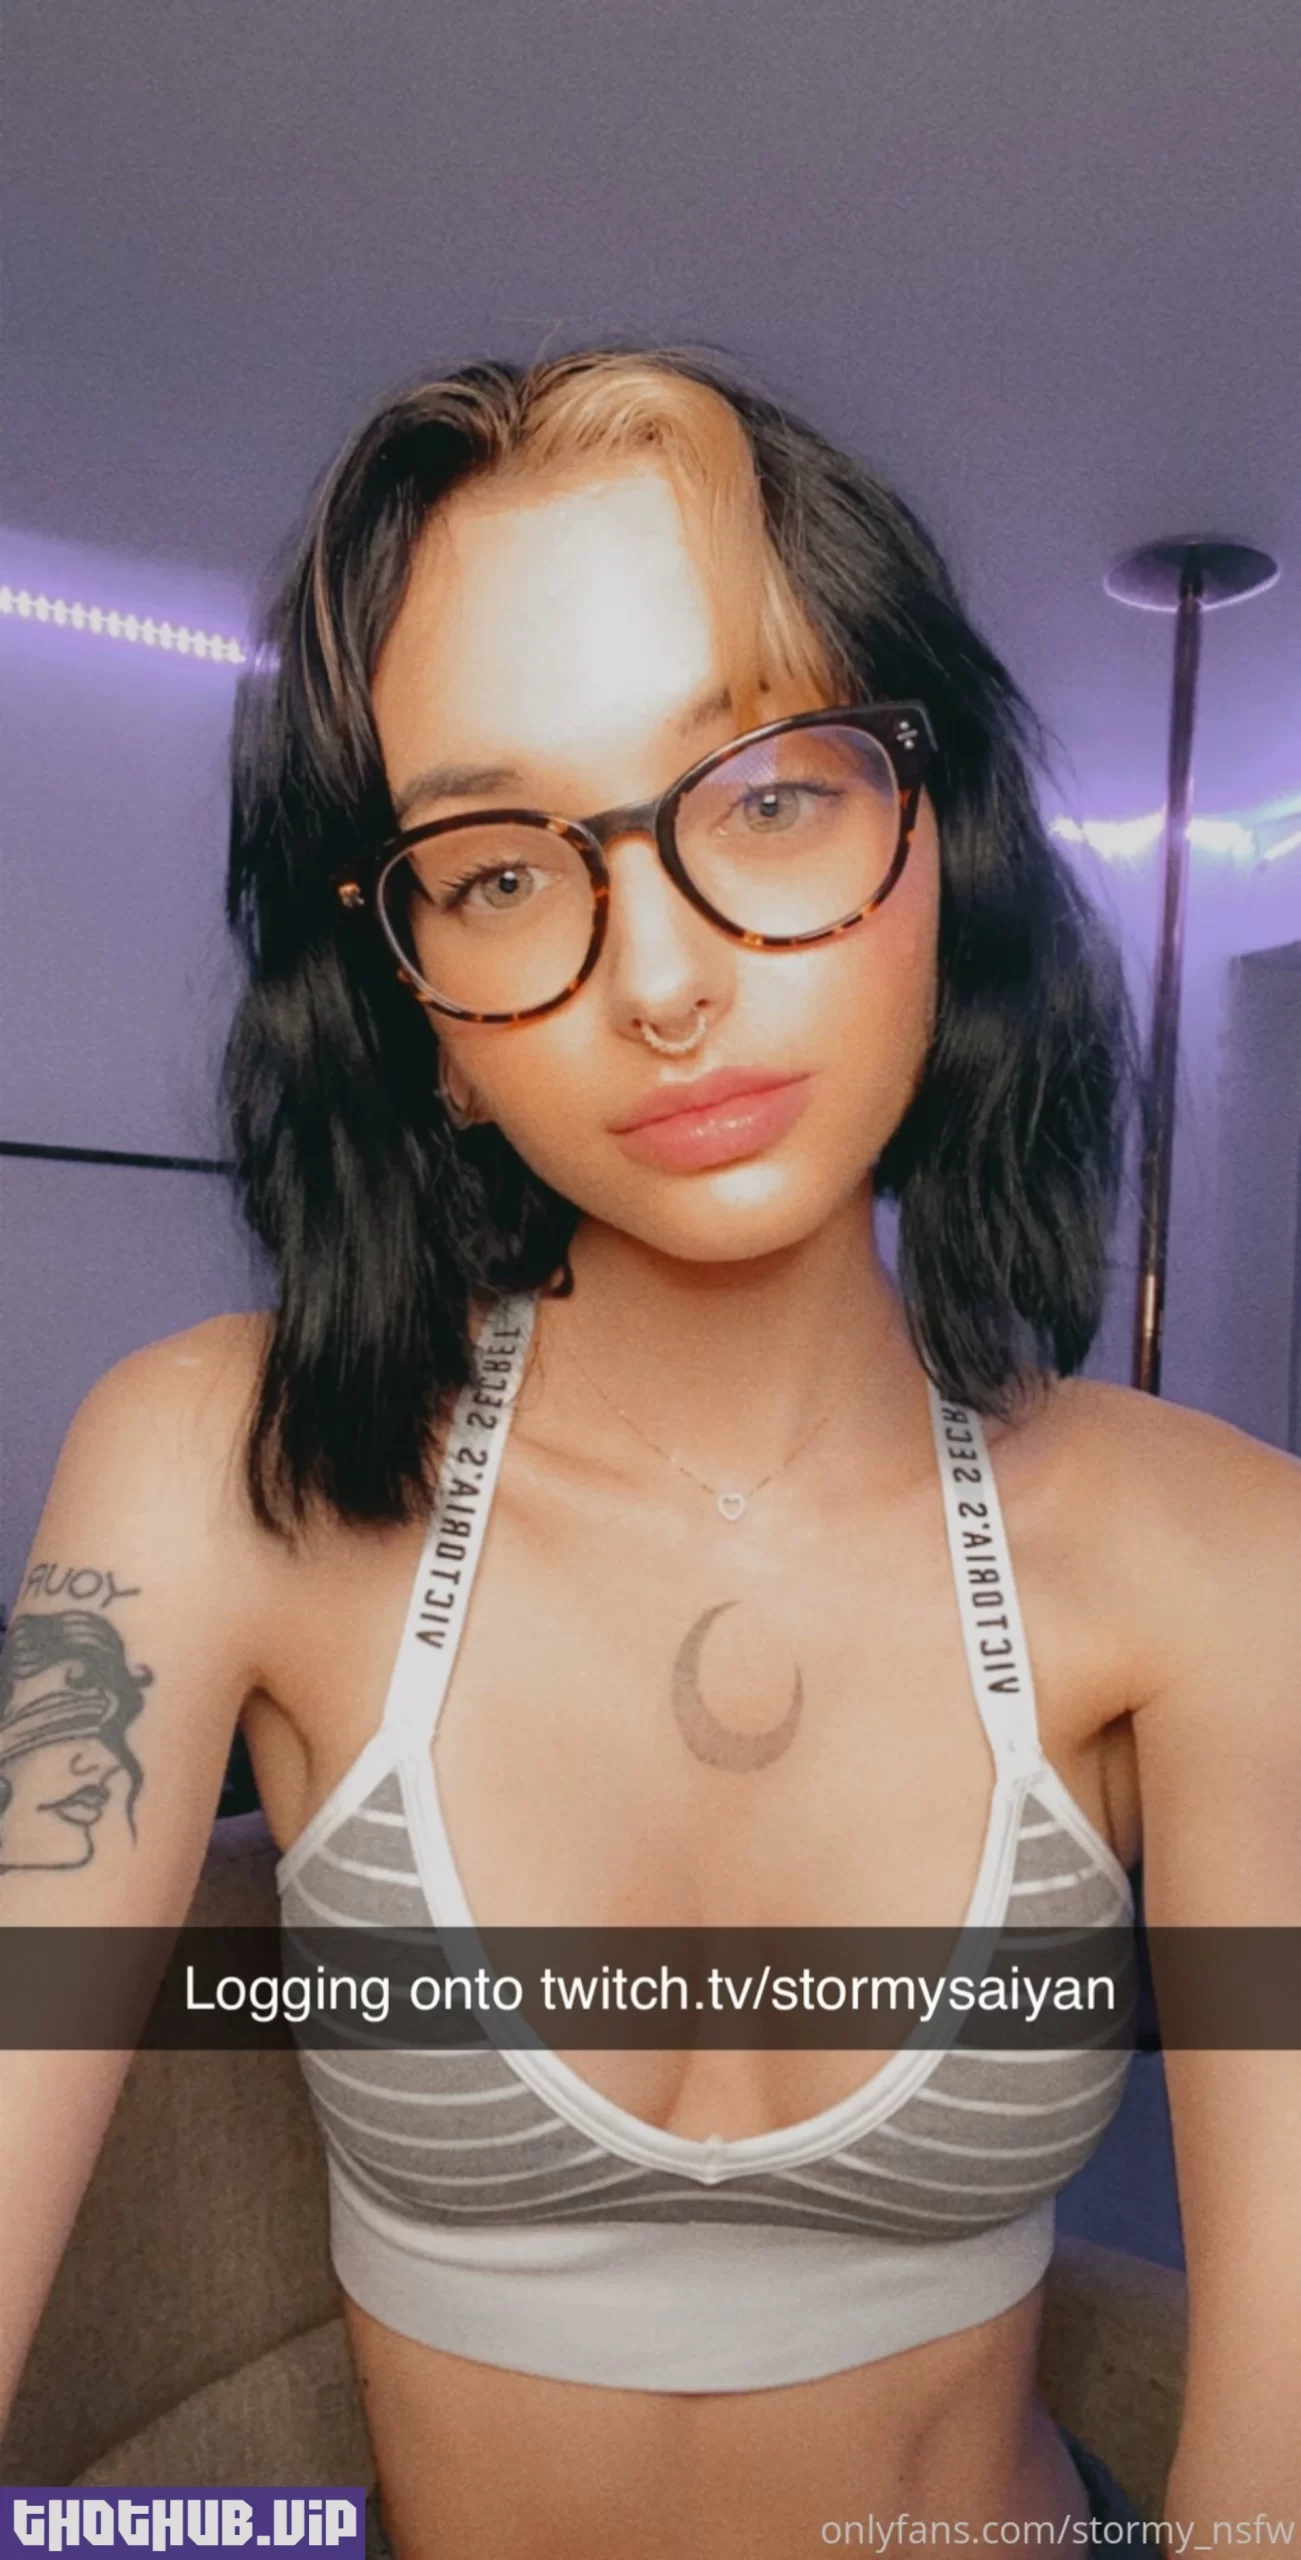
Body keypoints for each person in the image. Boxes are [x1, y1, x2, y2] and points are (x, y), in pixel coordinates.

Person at [2, 348, 1298, 2559]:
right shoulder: (212, 1471)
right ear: (417, 1007)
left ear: (939, 840)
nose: (667, 979)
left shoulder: (1219, 1556)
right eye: (502, 869)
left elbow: (1265, 2469)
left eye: (768, 795)